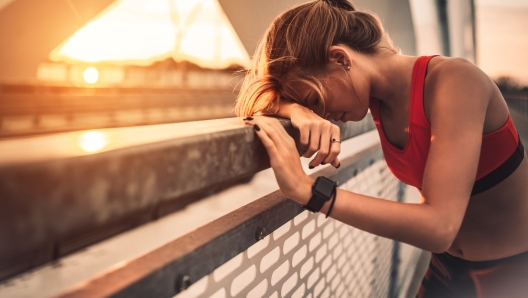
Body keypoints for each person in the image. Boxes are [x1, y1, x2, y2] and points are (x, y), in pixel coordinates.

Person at [235, 0, 528, 297]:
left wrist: (308, 190)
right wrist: (298, 111)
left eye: (315, 101)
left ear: (341, 59)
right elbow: (256, 104)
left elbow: (439, 228)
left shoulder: (456, 81)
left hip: (512, 274)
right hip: (445, 268)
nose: (322, 115)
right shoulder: (372, 99)